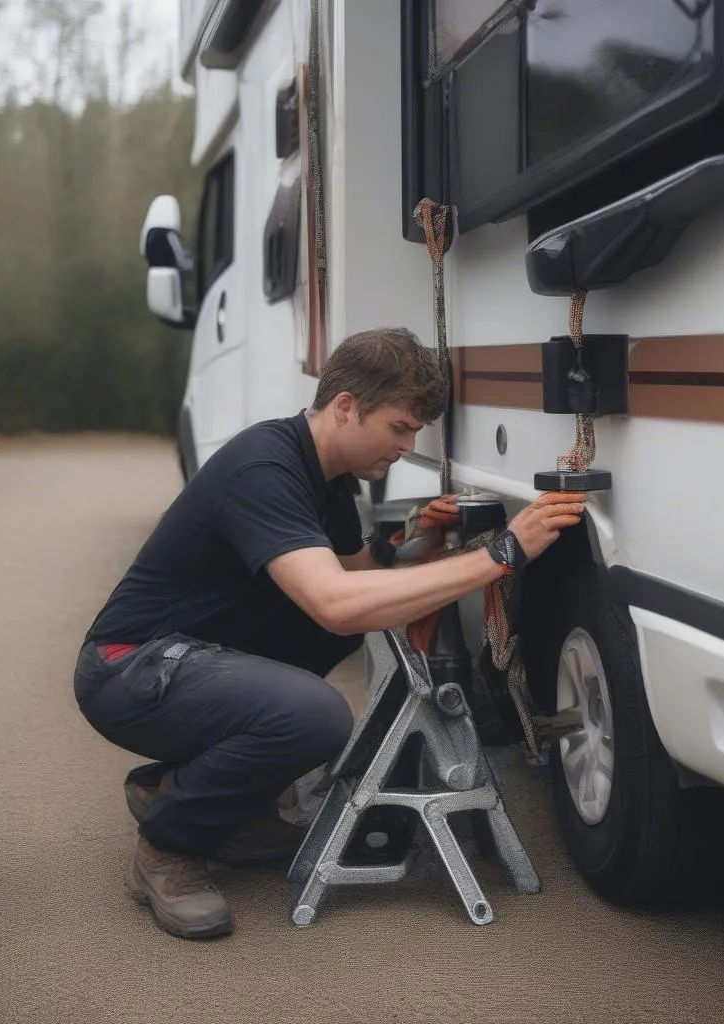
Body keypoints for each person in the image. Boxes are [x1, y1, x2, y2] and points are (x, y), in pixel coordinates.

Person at [72, 327, 586, 939]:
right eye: (399, 427)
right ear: (346, 406)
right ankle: (168, 846)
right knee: (313, 717)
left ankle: (209, 804)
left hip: (198, 658)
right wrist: (501, 555)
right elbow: (337, 604)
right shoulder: (262, 466)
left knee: (343, 631)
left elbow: (360, 582)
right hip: (130, 668)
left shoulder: (332, 480)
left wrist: (416, 538)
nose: (406, 445)